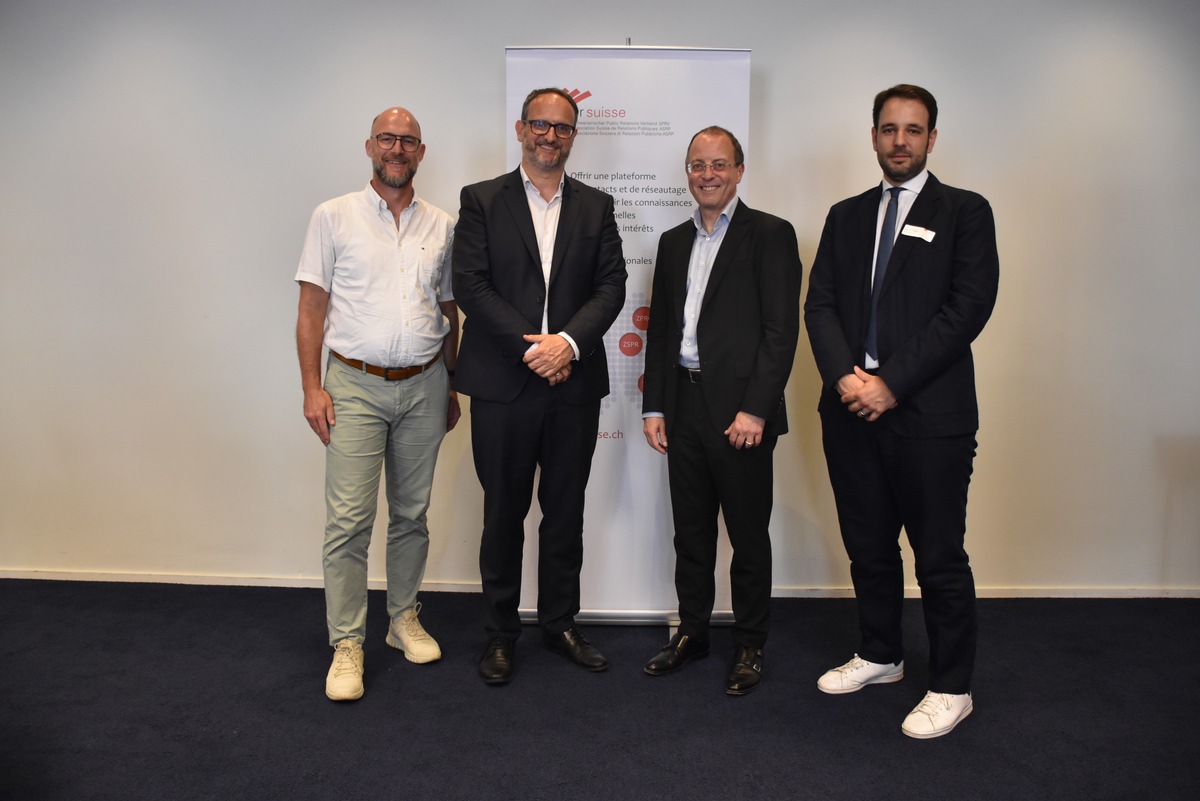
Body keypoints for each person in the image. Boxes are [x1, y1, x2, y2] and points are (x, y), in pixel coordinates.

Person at [804, 84, 999, 737]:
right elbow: (820, 305)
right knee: (868, 546)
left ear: (932, 139)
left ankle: (952, 685)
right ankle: (881, 653)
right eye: (889, 129)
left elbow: (967, 309)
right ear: (874, 136)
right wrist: (845, 379)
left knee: (938, 556)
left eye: (913, 130)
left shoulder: (965, 211)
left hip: (930, 417)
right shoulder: (846, 215)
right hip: (850, 411)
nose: (900, 141)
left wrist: (889, 383)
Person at [452, 88, 627, 685]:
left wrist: (567, 344)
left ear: (574, 135)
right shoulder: (481, 200)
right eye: (540, 125)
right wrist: (535, 349)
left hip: (572, 384)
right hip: (504, 384)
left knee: (565, 512)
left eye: (562, 127)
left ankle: (559, 624)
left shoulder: (597, 206)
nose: (550, 136)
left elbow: (612, 285)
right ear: (521, 129)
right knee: (503, 513)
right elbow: (471, 285)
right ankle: (500, 634)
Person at [295, 107, 461, 702]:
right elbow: (311, 309)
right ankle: (347, 641)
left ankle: (401, 618)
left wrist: (450, 384)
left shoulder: (443, 224)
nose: (397, 148)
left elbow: (449, 310)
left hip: (425, 384)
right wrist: (312, 387)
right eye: (387, 138)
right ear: (369, 146)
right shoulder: (333, 215)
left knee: (412, 513)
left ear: (421, 152)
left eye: (407, 141)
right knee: (348, 521)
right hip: (353, 385)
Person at [640, 126, 802, 696]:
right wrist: (654, 406)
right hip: (682, 405)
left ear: (739, 170)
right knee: (691, 534)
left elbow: (781, 332)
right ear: (687, 172)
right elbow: (662, 330)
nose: (707, 175)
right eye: (697, 165)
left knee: (748, 536)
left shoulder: (771, 235)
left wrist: (756, 410)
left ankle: (751, 643)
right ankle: (693, 632)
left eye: (718, 164)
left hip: (741, 415)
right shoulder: (673, 242)